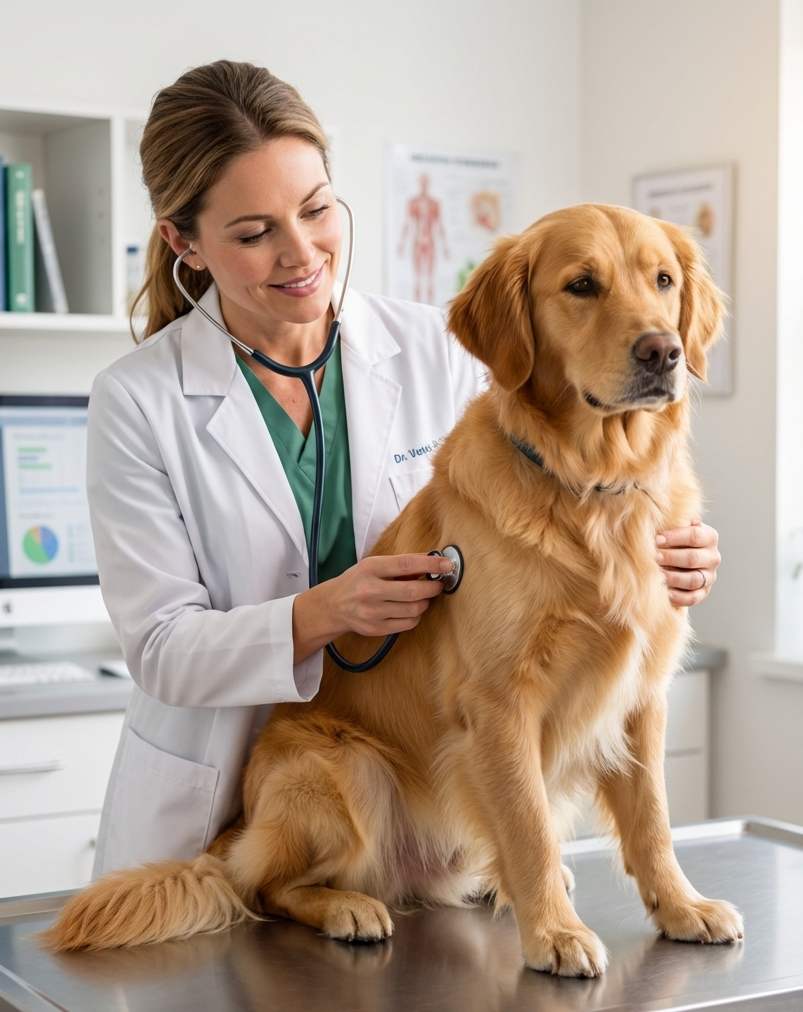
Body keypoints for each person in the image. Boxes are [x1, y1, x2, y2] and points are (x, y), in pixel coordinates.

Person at [88, 60, 723, 876]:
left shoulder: (433, 347)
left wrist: (674, 547)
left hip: (425, 797)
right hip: (223, 786)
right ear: (185, 242)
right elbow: (162, 647)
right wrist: (323, 611)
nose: (301, 252)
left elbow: (577, 483)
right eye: (254, 234)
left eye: (316, 210)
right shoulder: (138, 401)